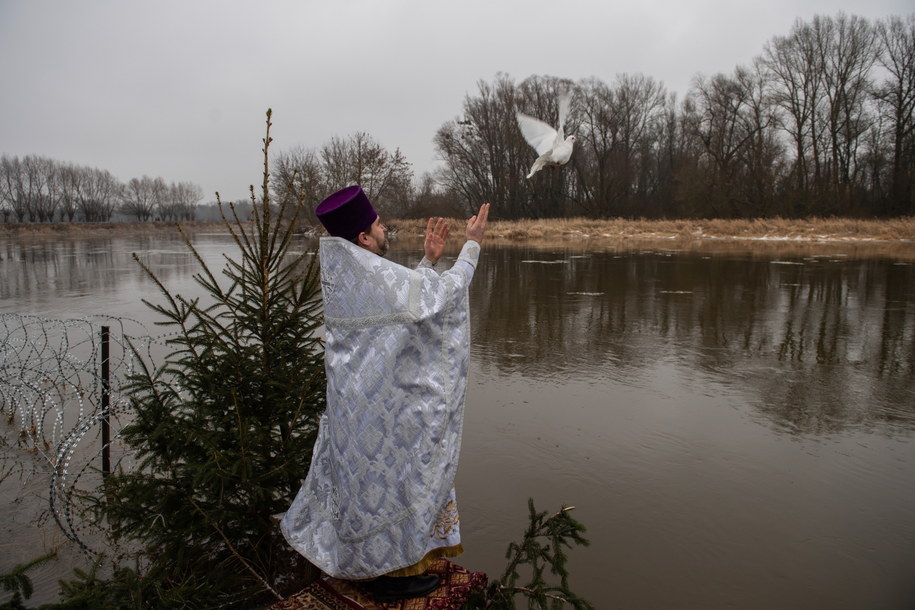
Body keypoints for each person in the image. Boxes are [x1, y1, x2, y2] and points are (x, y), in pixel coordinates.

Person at [281, 184, 489, 602]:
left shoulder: (346, 270)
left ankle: (368, 565)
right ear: (362, 238)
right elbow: (434, 300)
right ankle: (393, 579)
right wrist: (471, 247)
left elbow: (402, 304)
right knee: (395, 481)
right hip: (379, 411)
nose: (383, 231)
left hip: (355, 406)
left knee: (365, 487)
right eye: (378, 226)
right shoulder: (368, 271)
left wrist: (428, 262)